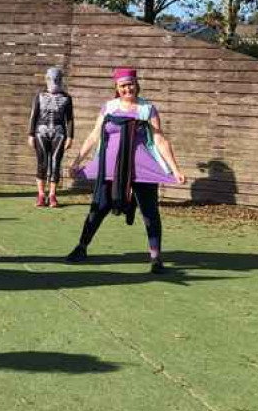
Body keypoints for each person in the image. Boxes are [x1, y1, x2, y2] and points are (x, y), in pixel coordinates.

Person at [67, 67, 186, 274]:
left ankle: (156, 257)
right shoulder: (109, 108)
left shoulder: (147, 108)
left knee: (150, 212)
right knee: (99, 207)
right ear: (116, 87)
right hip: (109, 168)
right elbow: (94, 136)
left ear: (136, 85)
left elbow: (159, 139)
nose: (127, 89)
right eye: (122, 86)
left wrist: (175, 169)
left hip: (142, 169)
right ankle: (81, 247)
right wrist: (77, 161)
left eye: (130, 84)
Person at [28, 67, 75, 207]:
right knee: (42, 162)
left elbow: (70, 119)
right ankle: (41, 194)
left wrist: (70, 137)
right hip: (41, 131)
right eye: (50, 78)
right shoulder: (39, 96)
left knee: (56, 162)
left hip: (59, 132)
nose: (54, 81)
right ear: (46, 79)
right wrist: (30, 134)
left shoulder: (67, 98)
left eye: (56, 78)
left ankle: (53, 194)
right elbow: (34, 115)